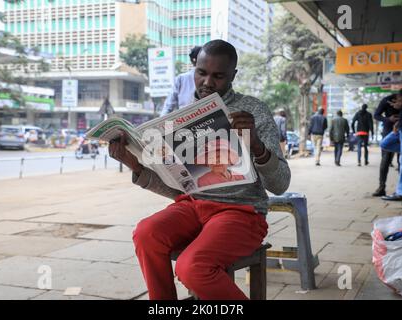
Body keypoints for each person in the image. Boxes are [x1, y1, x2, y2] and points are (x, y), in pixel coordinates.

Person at [109, 40, 291, 300]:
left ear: (233, 76)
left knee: (192, 267)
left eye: (218, 76)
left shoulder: (253, 111)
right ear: (194, 68)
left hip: (241, 212)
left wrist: (257, 145)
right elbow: (178, 187)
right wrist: (135, 164)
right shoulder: (180, 117)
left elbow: (280, 184)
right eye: (201, 73)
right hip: (194, 206)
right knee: (146, 234)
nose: (207, 82)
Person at [372, 89, 402, 196]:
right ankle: (381, 187)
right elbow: (376, 115)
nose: (401, 102)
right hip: (388, 132)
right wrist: (388, 119)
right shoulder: (386, 100)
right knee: (385, 160)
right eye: (399, 100)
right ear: (396, 97)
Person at [380, 88, 402, 201]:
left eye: (400, 99)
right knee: (384, 144)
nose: (398, 101)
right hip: (399, 129)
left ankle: (401, 192)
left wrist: (401, 106)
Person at [160, 46, 202, 116]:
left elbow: (169, 106)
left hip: (185, 120)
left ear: (192, 60)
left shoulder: (181, 78)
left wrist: (160, 122)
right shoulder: (181, 79)